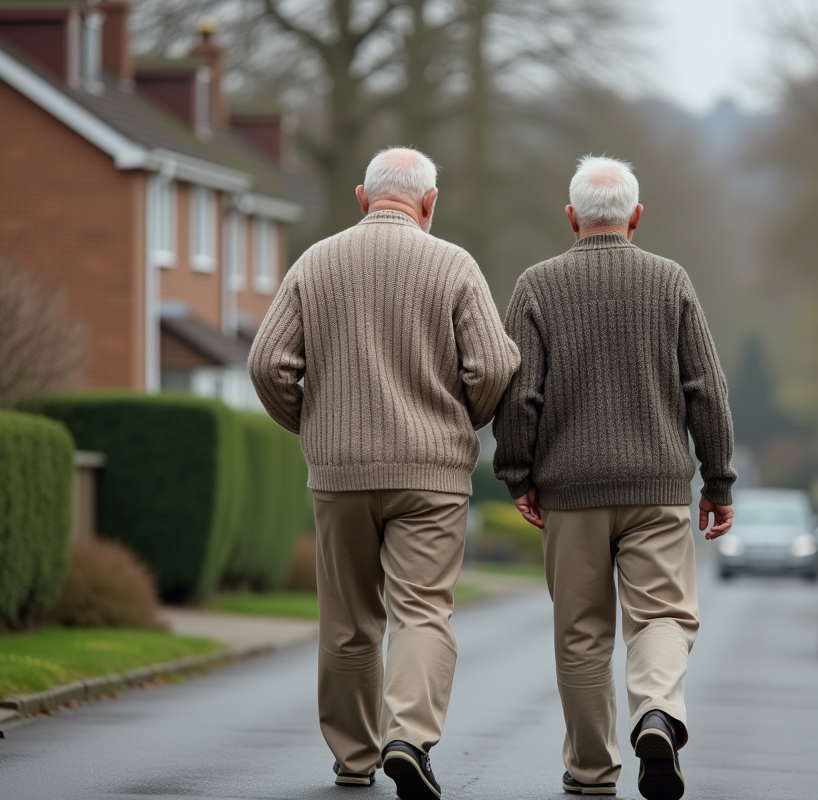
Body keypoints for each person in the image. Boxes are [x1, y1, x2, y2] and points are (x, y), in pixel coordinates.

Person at [248, 146, 519, 800]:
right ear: (429, 204)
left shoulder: (315, 263)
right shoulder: (454, 264)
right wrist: (461, 420)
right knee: (422, 610)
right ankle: (409, 738)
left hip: (339, 472)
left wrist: (313, 426)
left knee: (347, 620)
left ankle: (353, 757)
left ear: (363, 198)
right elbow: (495, 367)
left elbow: (266, 364)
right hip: (432, 474)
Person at [492, 155, 736, 800]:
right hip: (657, 489)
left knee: (581, 635)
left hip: (570, 493)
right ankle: (657, 711)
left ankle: (593, 770)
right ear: (635, 215)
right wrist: (718, 482)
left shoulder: (536, 286)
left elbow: (519, 398)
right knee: (661, 618)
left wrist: (517, 472)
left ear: (571, 217)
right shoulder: (670, 281)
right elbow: (706, 390)